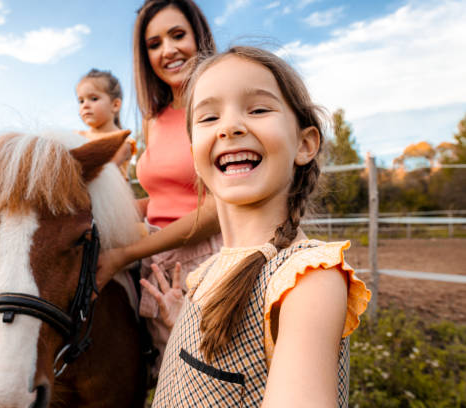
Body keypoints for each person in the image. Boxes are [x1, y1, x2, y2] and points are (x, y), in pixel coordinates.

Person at [143, 46, 371, 407]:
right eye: (208, 118)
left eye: (259, 109)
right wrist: (181, 326)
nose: (230, 127)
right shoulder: (205, 273)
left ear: (305, 143)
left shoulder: (306, 281)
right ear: (194, 153)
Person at [96, 0, 220, 379]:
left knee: (201, 381)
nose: (167, 50)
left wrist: (124, 254)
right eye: (154, 43)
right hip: (158, 261)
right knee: (167, 374)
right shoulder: (154, 119)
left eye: (178, 35)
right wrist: (100, 209)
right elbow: (165, 197)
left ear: (199, 37)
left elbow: (217, 209)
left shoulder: (216, 107)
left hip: (202, 262)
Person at [76, 68, 136, 178]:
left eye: (93, 99)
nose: (85, 105)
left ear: (115, 105)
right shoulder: (77, 137)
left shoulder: (123, 142)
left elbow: (103, 173)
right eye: (81, 101)